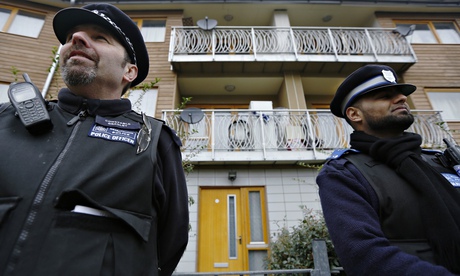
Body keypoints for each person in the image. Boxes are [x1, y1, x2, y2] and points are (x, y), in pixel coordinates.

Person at [0, 3, 188, 276]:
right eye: (70, 37)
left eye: (99, 37)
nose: (76, 39)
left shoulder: (155, 142)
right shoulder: (6, 122)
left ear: (129, 72)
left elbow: (169, 246)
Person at [316, 64, 460, 275]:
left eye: (401, 94)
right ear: (355, 114)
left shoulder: (440, 161)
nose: (402, 98)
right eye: (384, 95)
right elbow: (364, 256)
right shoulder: (344, 173)